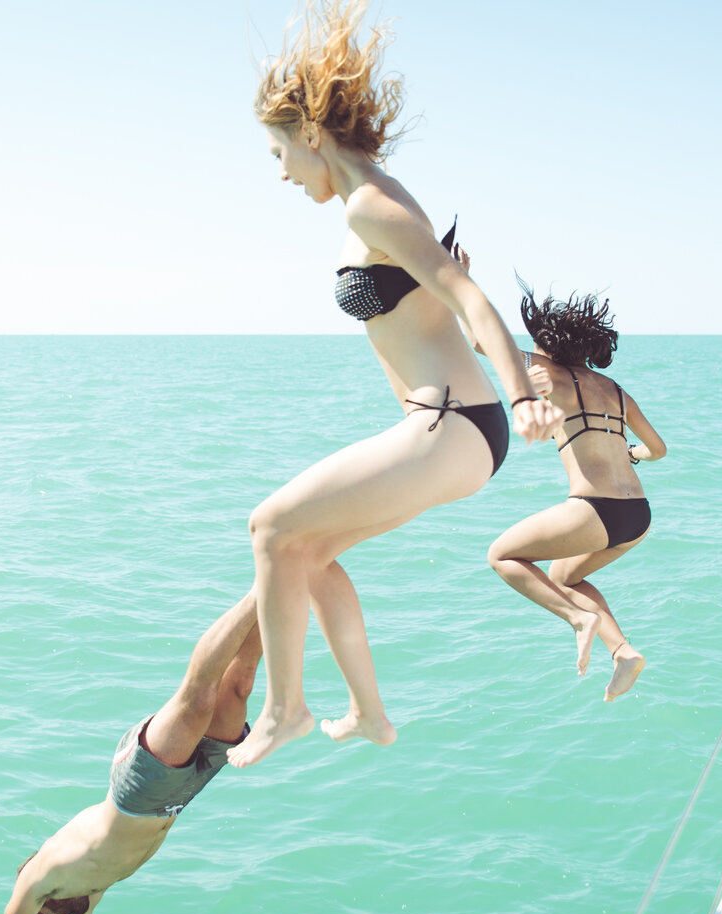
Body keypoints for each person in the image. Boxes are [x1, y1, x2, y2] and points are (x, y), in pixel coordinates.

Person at [230, 0, 562, 768]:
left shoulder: (373, 205)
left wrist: (522, 394)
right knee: (305, 553)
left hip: (452, 424)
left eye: (279, 152)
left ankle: (283, 711)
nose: (280, 172)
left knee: (270, 528)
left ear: (311, 135)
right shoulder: (375, 200)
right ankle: (370, 715)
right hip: (453, 429)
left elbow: (469, 298)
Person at [0, 595, 261, 914]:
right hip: (181, 796)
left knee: (199, 698)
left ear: (46, 902)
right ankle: (276, 589)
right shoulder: (89, 891)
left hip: (138, 789)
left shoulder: (38, 878)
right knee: (239, 686)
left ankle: (259, 589)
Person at [456, 252, 666, 700]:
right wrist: (630, 454)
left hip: (595, 510)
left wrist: (460, 278)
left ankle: (578, 619)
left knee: (502, 555)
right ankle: (623, 652)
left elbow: (480, 340)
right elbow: (659, 449)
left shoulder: (544, 369)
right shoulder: (615, 390)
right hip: (638, 515)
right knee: (564, 577)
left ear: (546, 343)